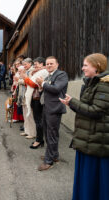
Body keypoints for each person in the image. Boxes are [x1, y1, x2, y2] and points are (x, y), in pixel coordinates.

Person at [59, 53, 109, 200]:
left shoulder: (104, 85)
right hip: (89, 138)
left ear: (97, 66)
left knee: (94, 176)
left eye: (86, 65)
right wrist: (72, 103)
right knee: (89, 176)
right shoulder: (92, 83)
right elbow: (87, 108)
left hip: (96, 140)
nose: (82, 68)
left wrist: (74, 102)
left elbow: (96, 111)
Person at [36, 56, 68, 171]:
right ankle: (54, 155)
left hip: (54, 109)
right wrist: (41, 86)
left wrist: (43, 83)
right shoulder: (49, 75)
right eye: (47, 64)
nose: (49, 65)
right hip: (47, 107)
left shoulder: (61, 75)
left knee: (51, 134)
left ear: (57, 64)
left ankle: (48, 161)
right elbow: (48, 89)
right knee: (48, 132)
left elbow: (56, 89)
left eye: (51, 63)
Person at [23, 57, 46, 149]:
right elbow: (29, 84)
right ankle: (39, 139)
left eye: (36, 64)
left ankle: (39, 140)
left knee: (38, 120)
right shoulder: (36, 72)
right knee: (37, 119)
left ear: (41, 64)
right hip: (34, 97)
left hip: (37, 98)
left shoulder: (43, 72)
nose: (34, 66)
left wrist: (25, 78)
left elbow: (34, 84)